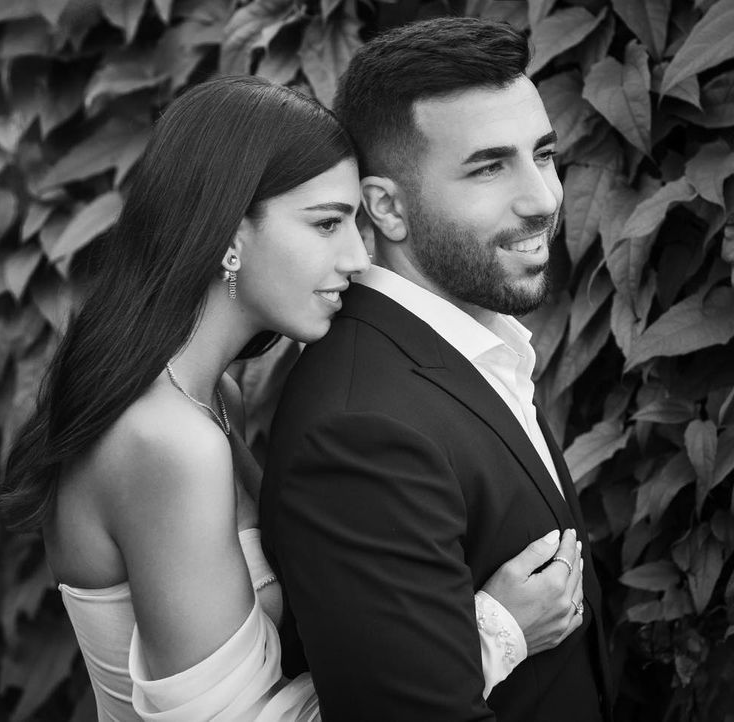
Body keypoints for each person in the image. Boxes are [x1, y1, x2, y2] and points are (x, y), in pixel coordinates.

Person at [0, 74, 584, 721]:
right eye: (326, 223)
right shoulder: (168, 439)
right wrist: (494, 633)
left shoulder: (209, 398)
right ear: (229, 233)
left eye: (355, 222)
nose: (358, 257)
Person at [260, 16, 612, 722]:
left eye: (542, 154)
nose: (543, 199)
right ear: (387, 208)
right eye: (489, 167)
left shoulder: (474, 346)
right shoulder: (358, 431)